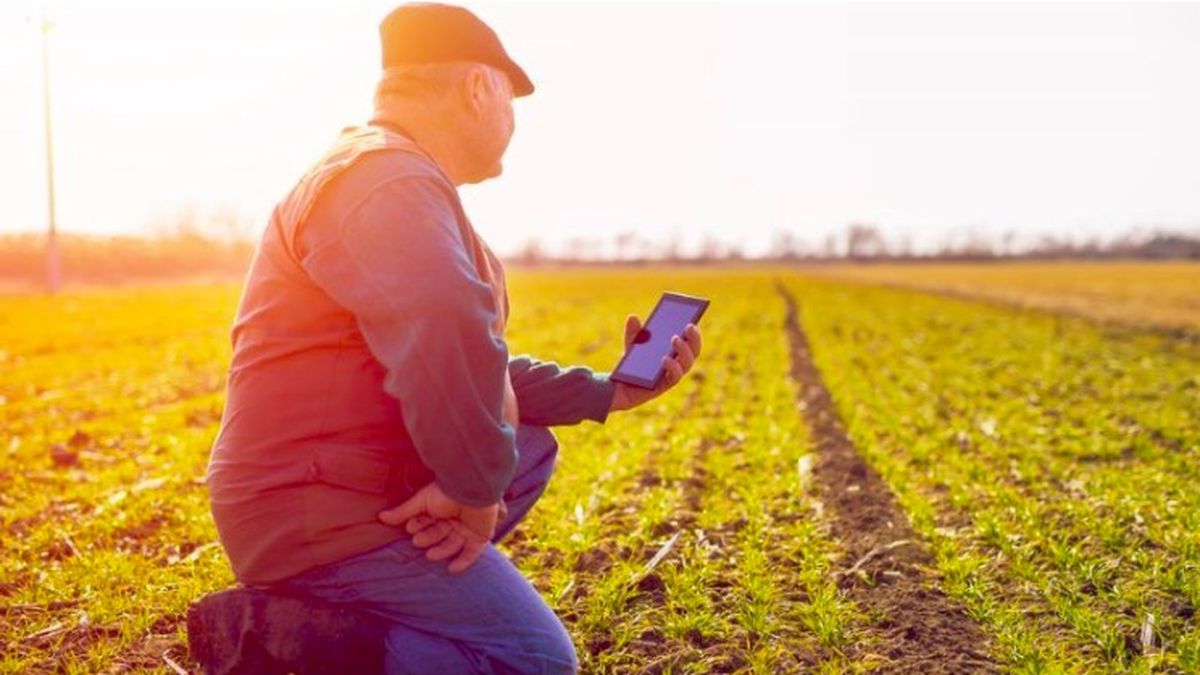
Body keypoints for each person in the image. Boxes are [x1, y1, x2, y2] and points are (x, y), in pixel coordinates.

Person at [204, 3, 703, 673]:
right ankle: (295, 642)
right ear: (477, 88)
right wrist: (469, 492)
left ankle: (372, 606)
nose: (513, 126)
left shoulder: (396, 178)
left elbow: (478, 364)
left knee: (524, 447)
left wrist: (611, 392)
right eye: (511, 102)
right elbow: (447, 335)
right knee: (532, 659)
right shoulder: (386, 181)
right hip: (309, 507)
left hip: (337, 481)